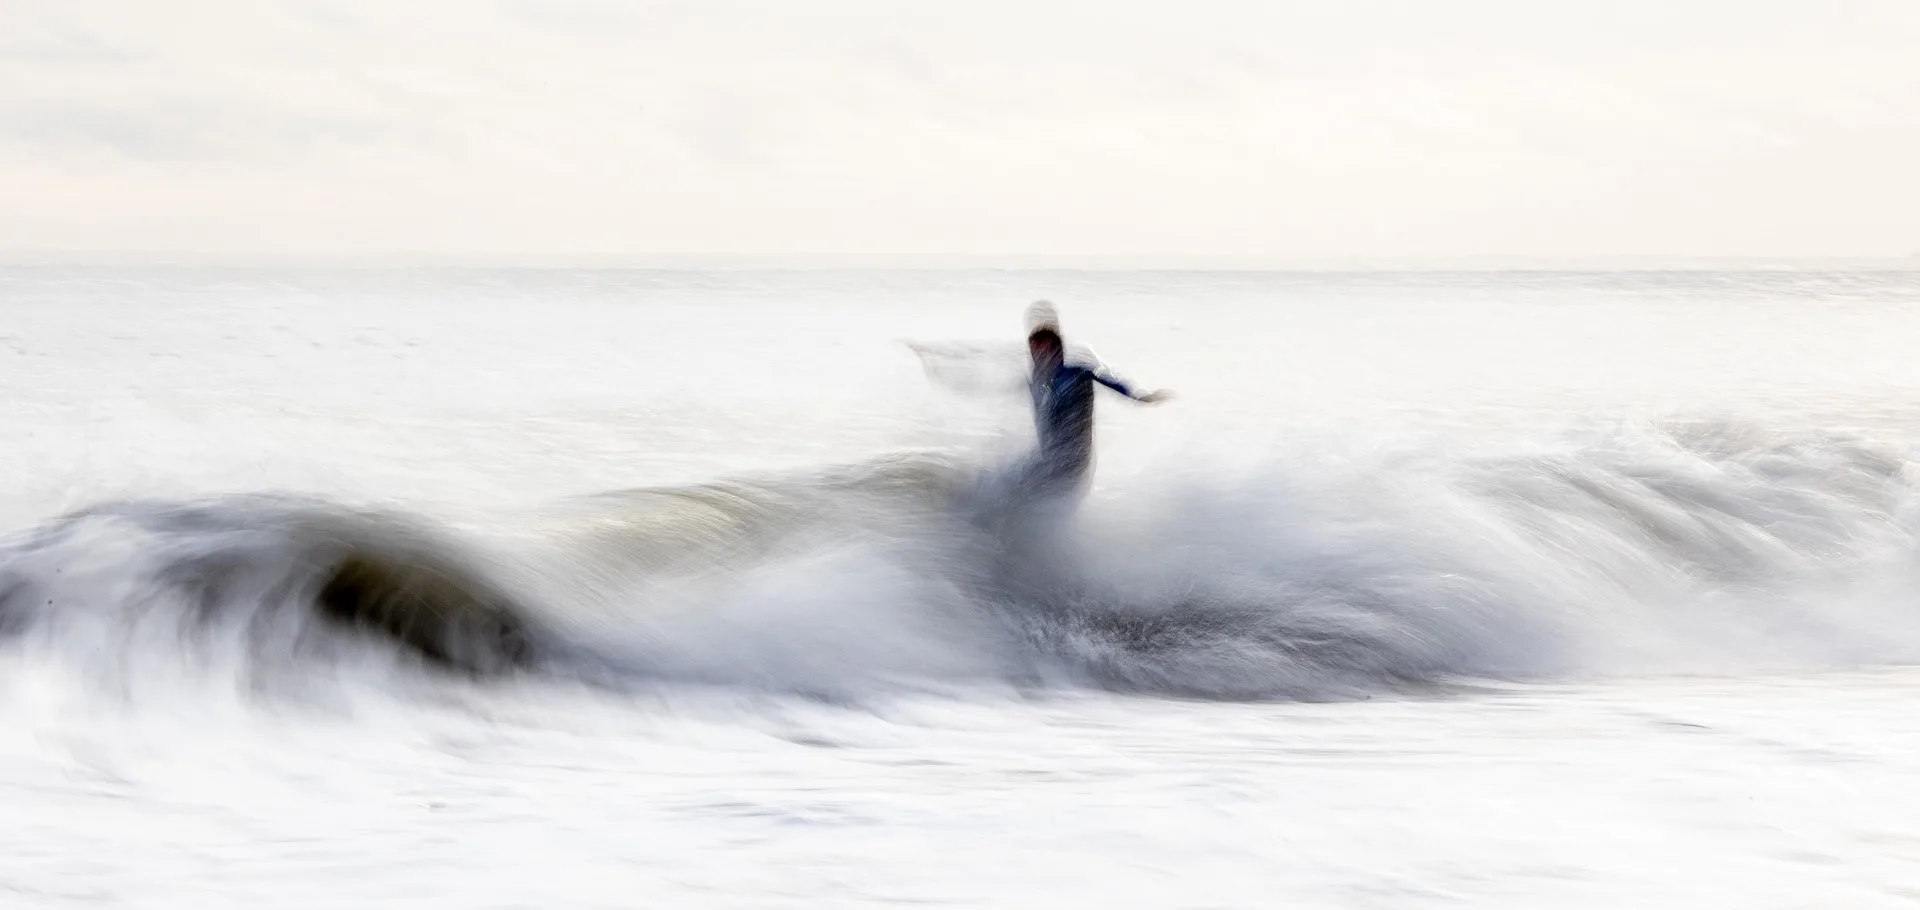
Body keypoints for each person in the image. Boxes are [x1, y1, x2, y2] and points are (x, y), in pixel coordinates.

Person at [1015, 301, 1171, 507]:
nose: (1039, 358)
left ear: (1056, 352)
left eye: (1044, 352)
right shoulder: (1037, 381)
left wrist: (1140, 397)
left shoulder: (1075, 373)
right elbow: (1042, 423)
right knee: (1010, 482)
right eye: (1035, 353)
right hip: (1051, 457)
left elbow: (1108, 379)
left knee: (1026, 492)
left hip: (1073, 462)